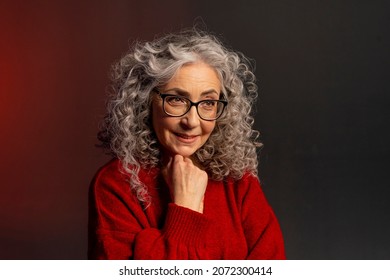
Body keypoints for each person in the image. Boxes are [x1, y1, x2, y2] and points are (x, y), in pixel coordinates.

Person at [88, 28, 285, 260]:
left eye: (208, 103)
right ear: (146, 101)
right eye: (176, 100)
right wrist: (185, 209)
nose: (192, 121)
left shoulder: (238, 181)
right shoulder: (115, 185)